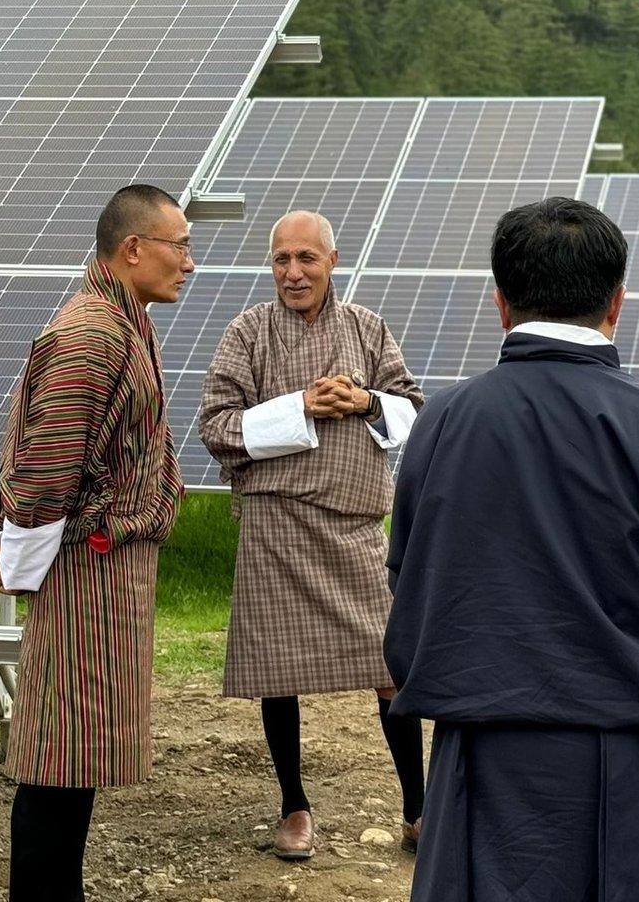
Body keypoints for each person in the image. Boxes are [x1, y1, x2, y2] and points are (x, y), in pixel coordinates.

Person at [385, 196, 639, 902]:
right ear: (617, 302)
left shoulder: (443, 424)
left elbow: (410, 584)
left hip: (476, 755)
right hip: (633, 754)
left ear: (500, 303)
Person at [197, 210, 427, 860]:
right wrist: (300, 405)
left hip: (355, 527)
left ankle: (418, 805)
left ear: (332, 260)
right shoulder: (247, 332)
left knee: (391, 667)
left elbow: (415, 410)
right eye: (281, 260)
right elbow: (216, 424)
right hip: (276, 526)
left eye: (306, 258)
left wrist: (364, 403)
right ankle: (293, 805)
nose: (293, 273)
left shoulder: (367, 327)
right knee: (278, 672)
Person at [0, 184, 192, 902]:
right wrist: (27, 562)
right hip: (83, 568)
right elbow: (45, 471)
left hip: (105, 567)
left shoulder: (123, 318)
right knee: (56, 757)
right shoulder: (90, 333)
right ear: (133, 249)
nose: (189, 263)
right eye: (180, 245)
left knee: (76, 755)